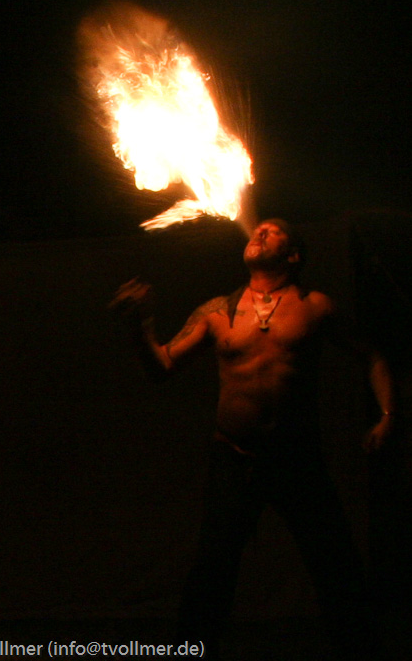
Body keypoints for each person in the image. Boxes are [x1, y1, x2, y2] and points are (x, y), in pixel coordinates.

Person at [111, 219, 395, 660]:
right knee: (212, 569)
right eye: (258, 229)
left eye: (273, 231)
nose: (260, 233)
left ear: (293, 255)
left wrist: (387, 415)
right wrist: (139, 325)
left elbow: (372, 354)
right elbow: (162, 367)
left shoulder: (315, 306)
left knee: (335, 565)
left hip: (297, 460)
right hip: (234, 458)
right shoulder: (217, 311)